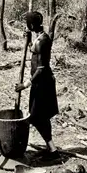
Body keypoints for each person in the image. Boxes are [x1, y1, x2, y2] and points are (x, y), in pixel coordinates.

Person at [15, 11, 60, 161]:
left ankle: (53, 151)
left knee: (36, 117)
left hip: (42, 83)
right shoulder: (40, 38)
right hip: (40, 82)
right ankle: (51, 148)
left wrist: (25, 84)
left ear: (32, 25)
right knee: (42, 117)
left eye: (28, 25)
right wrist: (27, 40)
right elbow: (34, 51)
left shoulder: (42, 41)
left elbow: (41, 68)